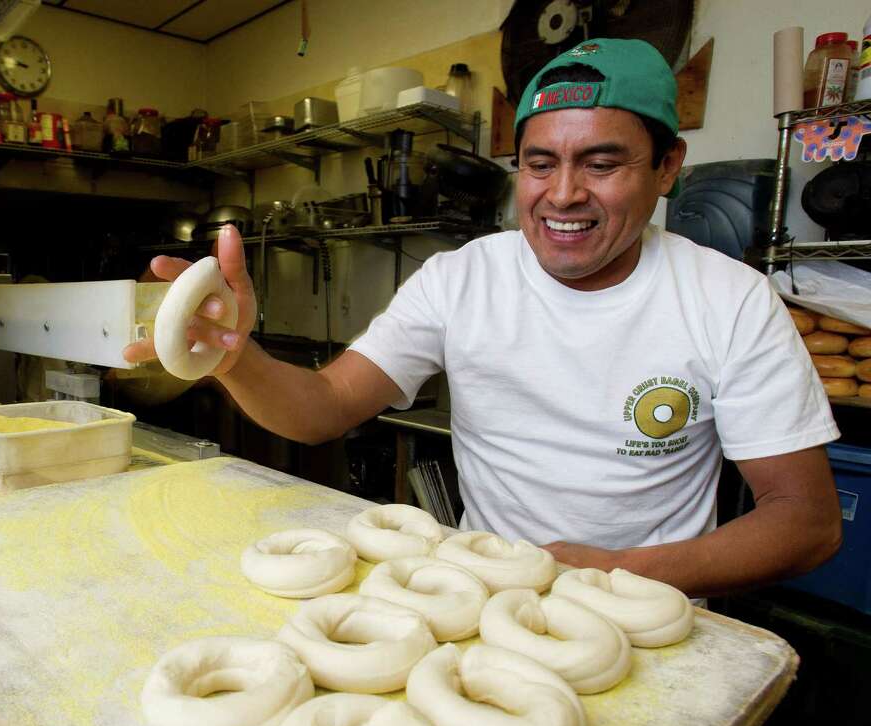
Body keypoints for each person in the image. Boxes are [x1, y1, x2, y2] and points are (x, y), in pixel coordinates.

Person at [123, 37, 842, 601]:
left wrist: (618, 571)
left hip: (648, 607)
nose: (562, 195)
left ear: (667, 167)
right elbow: (327, 407)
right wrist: (231, 355)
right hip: (480, 598)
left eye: (601, 163)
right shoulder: (461, 279)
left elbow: (805, 522)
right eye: (538, 164)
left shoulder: (731, 300)